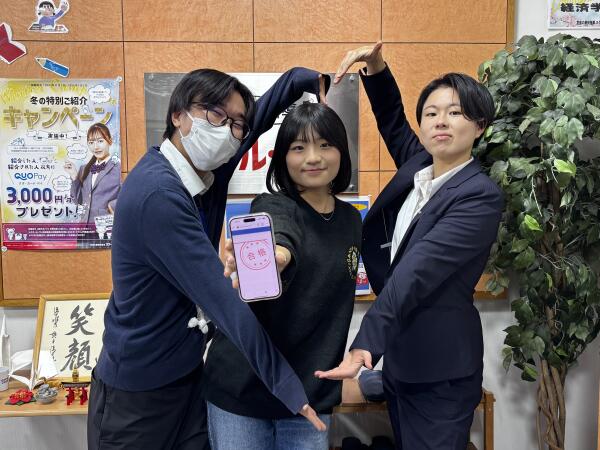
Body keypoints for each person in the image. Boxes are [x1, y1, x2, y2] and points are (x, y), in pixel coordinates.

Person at [87, 67, 329, 450]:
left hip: (187, 379)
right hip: (136, 396)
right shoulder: (158, 195)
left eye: (235, 123)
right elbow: (224, 303)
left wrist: (301, 79)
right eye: (215, 114)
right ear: (178, 116)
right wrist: (288, 387)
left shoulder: (204, 176)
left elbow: (256, 122)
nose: (227, 130)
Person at [316, 43, 504, 450]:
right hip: (403, 364)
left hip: (440, 372)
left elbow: (416, 270)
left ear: (480, 125)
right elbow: (392, 121)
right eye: (431, 113)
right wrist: (377, 67)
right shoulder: (420, 167)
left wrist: (364, 344)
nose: (441, 121)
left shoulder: (478, 195)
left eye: (455, 113)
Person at [203, 102, 362, 450]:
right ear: (283, 158)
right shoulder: (273, 205)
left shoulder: (351, 220)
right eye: (299, 147)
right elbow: (281, 235)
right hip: (243, 388)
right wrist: (275, 257)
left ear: (341, 151)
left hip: (311, 392)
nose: (313, 158)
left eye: (325, 145)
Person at [64, 122, 121, 242]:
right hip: (84, 230)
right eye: (91, 142)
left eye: (100, 141)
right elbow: (78, 201)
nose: (96, 147)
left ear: (110, 141)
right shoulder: (84, 169)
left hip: (105, 229)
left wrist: (111, 206)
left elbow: (129, 195)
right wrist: (74, 176)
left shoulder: (119, 168)